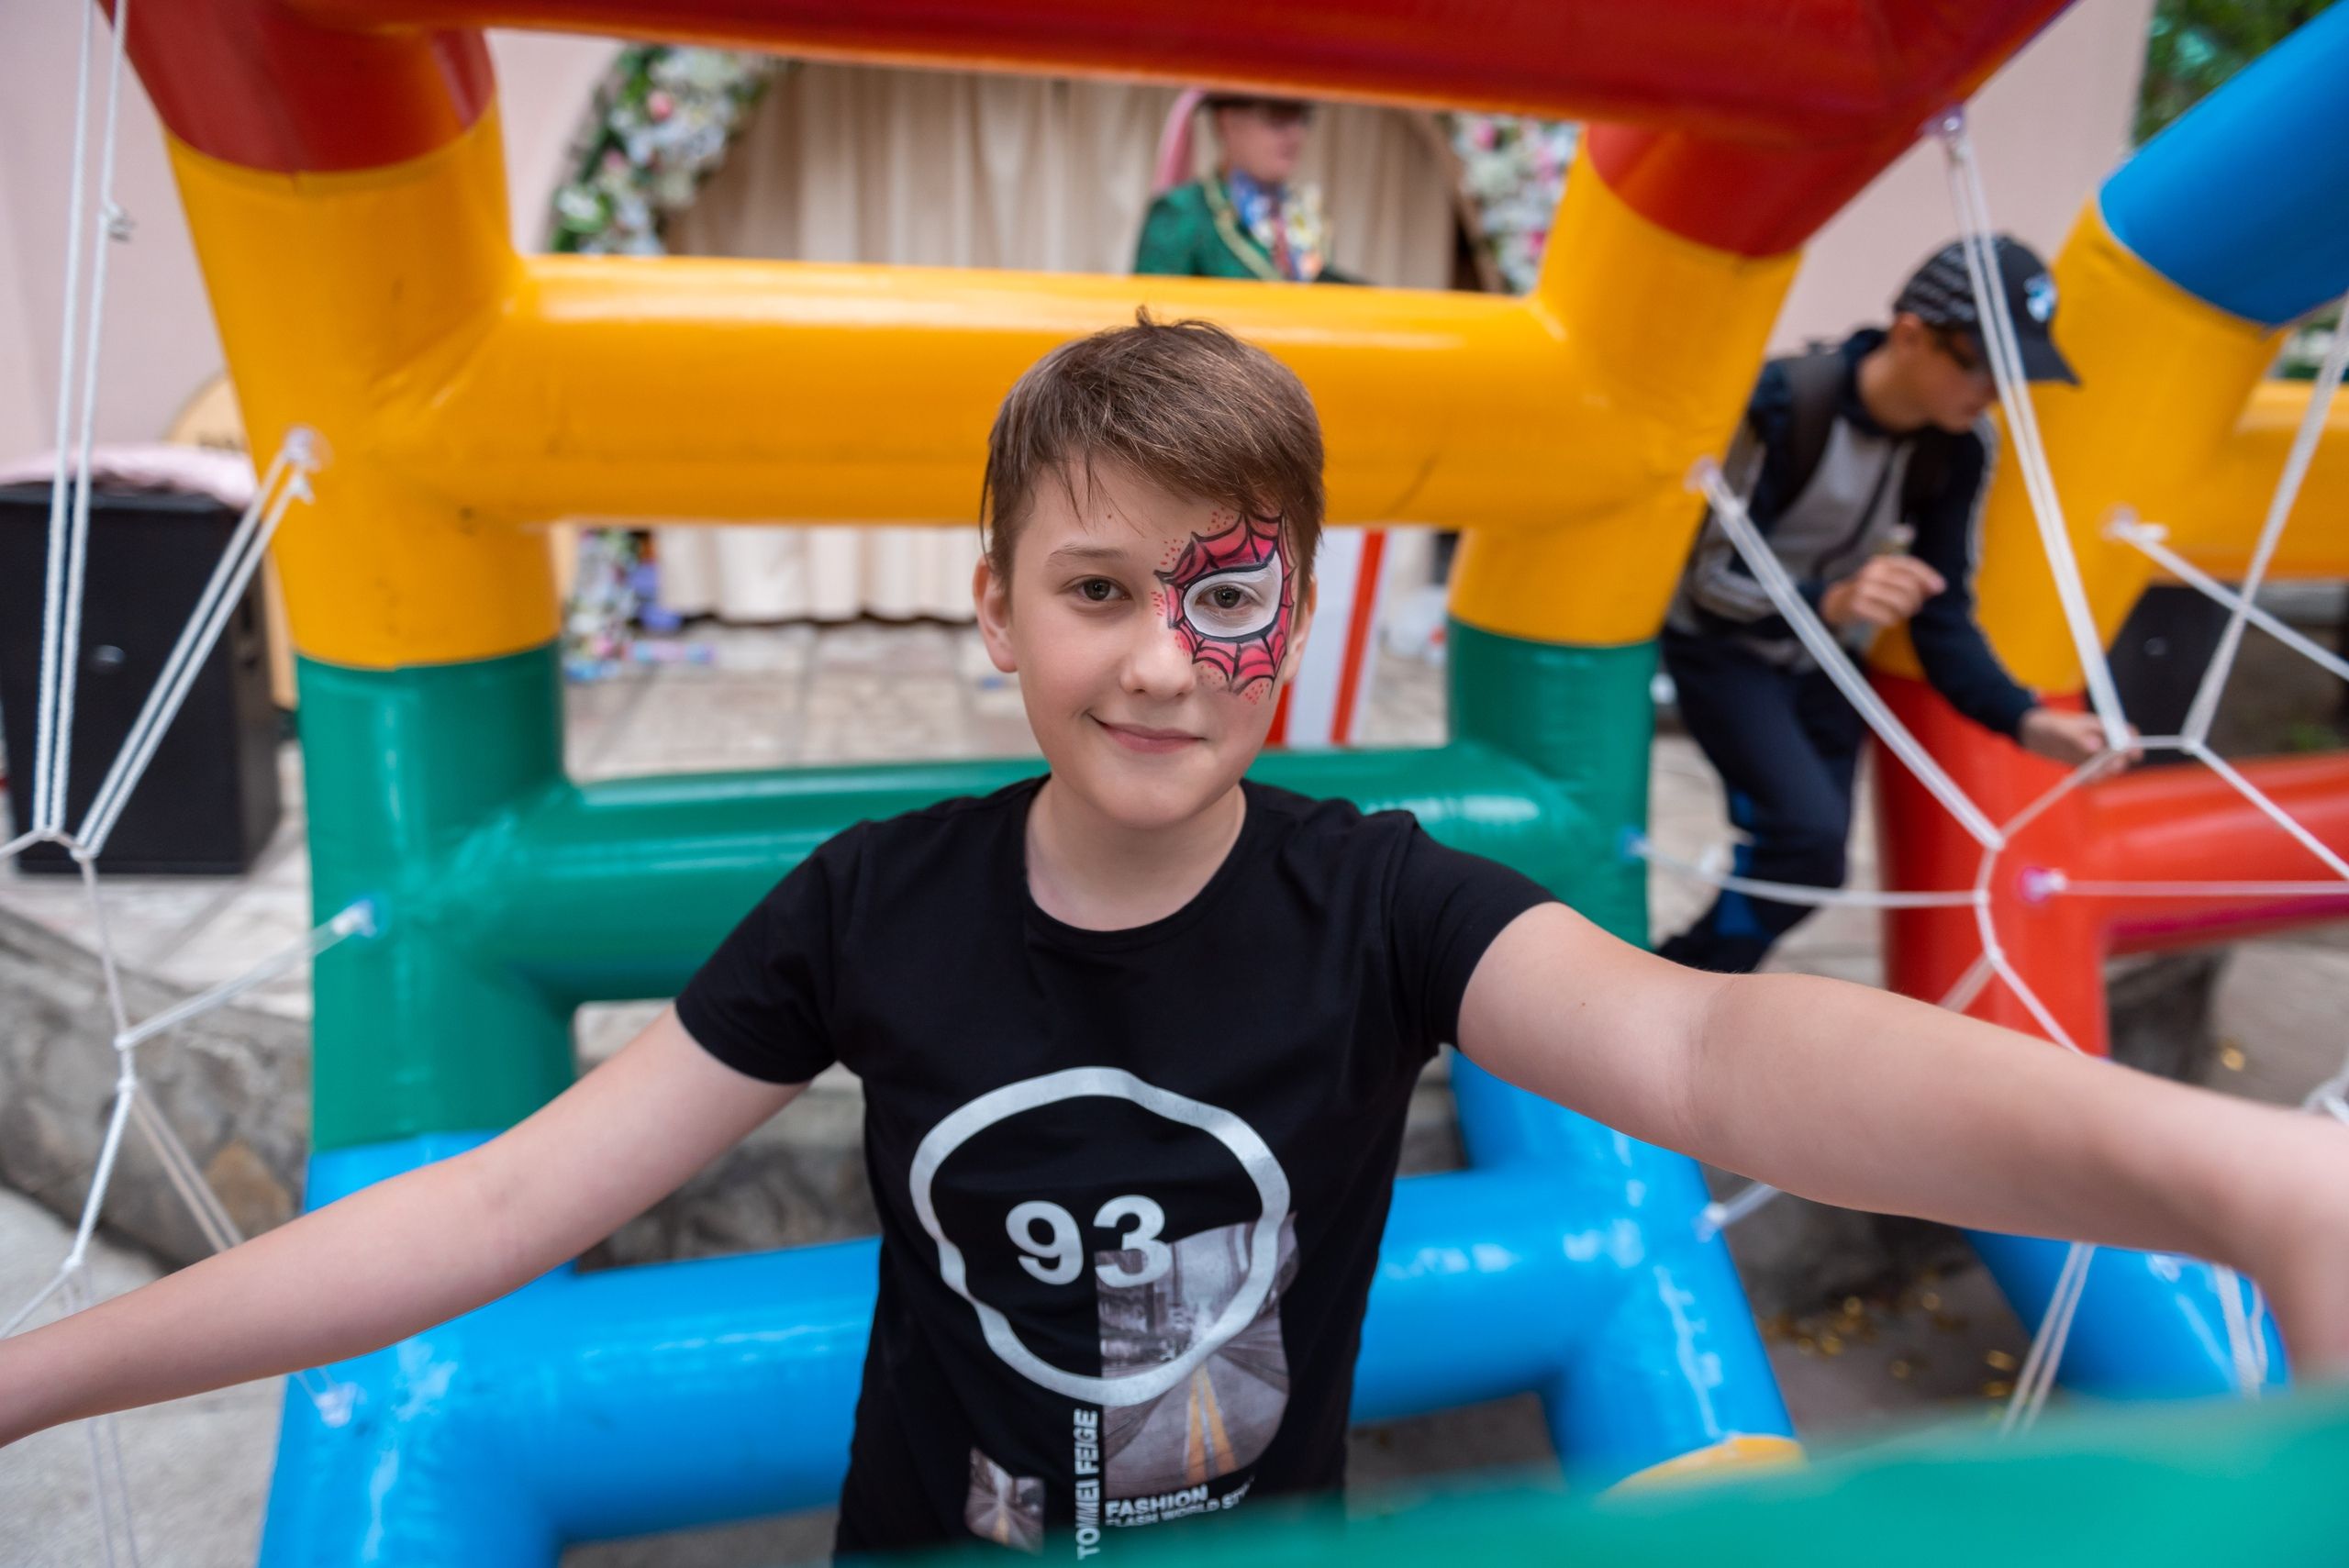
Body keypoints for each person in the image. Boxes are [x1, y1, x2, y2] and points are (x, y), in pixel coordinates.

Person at [3, 316, 2343, 1562]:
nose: (1158, 656)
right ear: (994, 611)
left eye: (1224, 593)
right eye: (1097, 588)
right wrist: (37, 1375)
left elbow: (1719, 1059)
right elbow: (501, 1202)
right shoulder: (867, 906)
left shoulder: (1378, 899)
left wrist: (2229, 1171)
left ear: (1289, 619)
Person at [1658, 236, 2122, 975]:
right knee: (1804, 838)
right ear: (1910, 333)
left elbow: (1942, 613)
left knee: (1815, 863)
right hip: (1724, 648)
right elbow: (1704, 578)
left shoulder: (1958, 448)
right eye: (1979, 364)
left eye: (2011, 375)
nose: (1992, 393)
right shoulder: (1784, 401)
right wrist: (1831, 600)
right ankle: (1679, 975)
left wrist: (2024, 717)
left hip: (1824, 661)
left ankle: (1692, 979)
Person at [1133, 95, 1352, 284]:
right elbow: (1152, 313)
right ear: (1227, 120)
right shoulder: (1182, 212)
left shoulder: (1310, 215)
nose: (1295, 134)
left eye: (1302, 117)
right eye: (1278, 116)